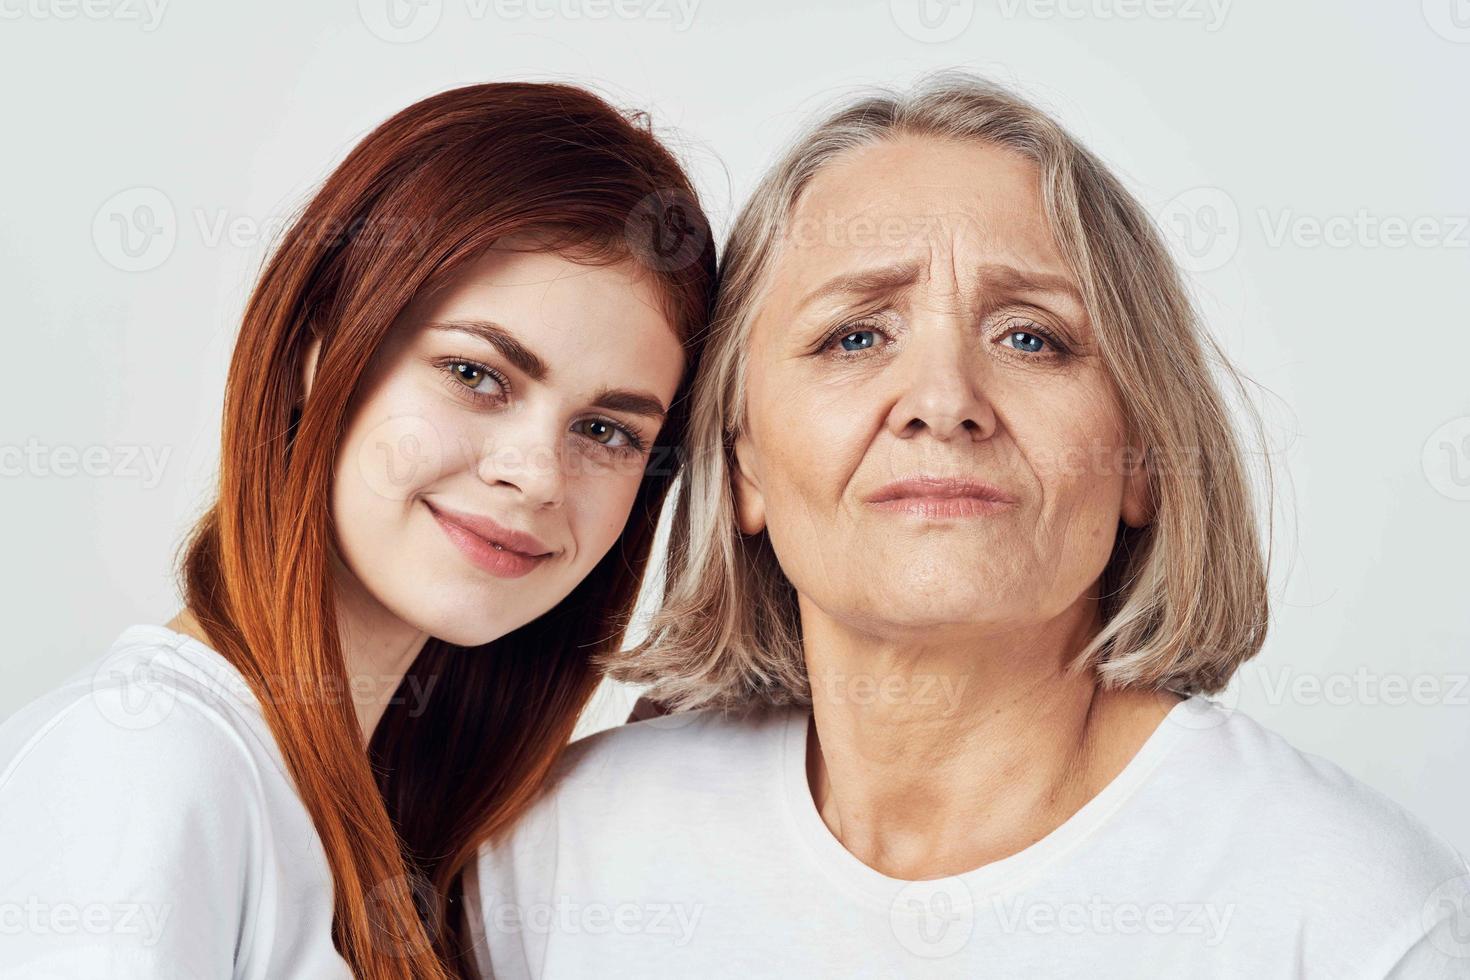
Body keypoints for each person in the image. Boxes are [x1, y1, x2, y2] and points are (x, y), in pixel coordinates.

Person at [471, 72, 1470, 978]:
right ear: (743, 468)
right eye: (855, 334)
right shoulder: (560, 855)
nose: (943, 400)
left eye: (1031, 337)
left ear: (1146, 460)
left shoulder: (1348, 913)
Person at [0, 82, 715, 979]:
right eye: (475, 373)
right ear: (315, 349)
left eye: (607, 430)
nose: (534, 475)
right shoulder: (142, 761)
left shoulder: (406, 835)